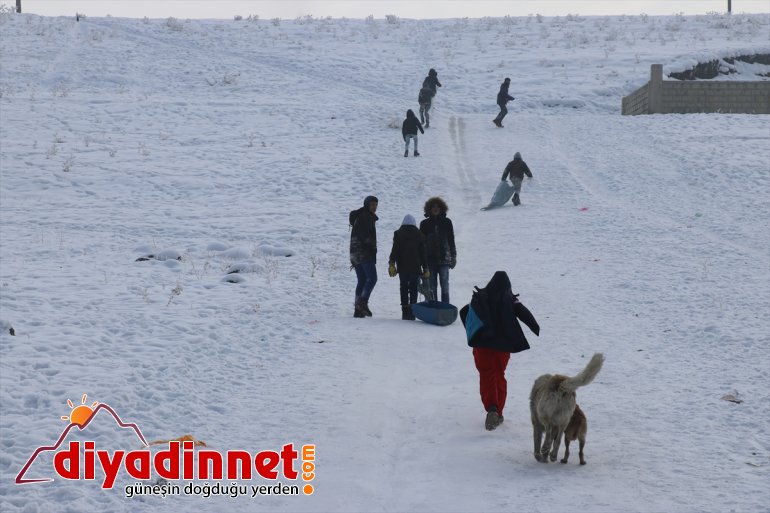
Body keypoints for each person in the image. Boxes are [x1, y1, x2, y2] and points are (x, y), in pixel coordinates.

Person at [459, 271, 540, 431]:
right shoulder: (510, 301)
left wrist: (471, 333)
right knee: (499, 375)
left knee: (486, 375)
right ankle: (498, 411)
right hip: (502, 348)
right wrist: (535, 327)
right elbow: (524, 314)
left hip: (482, 346)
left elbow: (464, 313)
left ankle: (491, 408)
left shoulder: (480, 298)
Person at [388, 215, 429, 320]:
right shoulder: (420, 235)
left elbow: (395, 250)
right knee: (414, 288)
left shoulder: (398, 234)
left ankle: (405, 311)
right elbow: (423, 254)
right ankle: (412, 311)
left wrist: (392, 263)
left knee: (404, 287)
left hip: (402, 267)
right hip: (415, 267)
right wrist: (426, 268)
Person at [419, 197, 456, 303]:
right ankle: (434, 307)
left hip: (444, 258)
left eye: (438, 206)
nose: (435, 209)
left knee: (445, 285)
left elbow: (451, 240)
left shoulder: (447, 222)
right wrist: (422, 261)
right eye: (433, 207)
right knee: (432, 286)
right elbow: (421, 244)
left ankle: (445, 307)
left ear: (441, 208)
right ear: (429, 209)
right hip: (430, 260)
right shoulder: (424, 224)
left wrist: (453, 256)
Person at [349, 196, 379, 318]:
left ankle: (358, 310)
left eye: (376, 204)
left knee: (362, 280)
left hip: (355, 253)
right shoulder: (365, 216)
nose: (375, 207)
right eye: (372, 204)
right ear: (367, 204)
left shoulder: (361, 216)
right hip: (364, 253)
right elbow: (364, 236)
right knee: (372, 278)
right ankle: (362, 302)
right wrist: (371, 245)